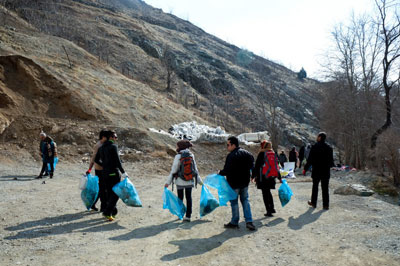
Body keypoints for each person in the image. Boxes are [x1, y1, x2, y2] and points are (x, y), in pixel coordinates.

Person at [219, 136, 256, 231]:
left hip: (234, 183)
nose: (227, 147)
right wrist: (253, 176)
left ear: (233, 145)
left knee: (234, 202)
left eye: (228, 145)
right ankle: (249, 221)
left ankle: (234, 222)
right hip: (244, 183)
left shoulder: (231, 156)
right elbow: (253, 167)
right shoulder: (248, 154)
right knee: (245, 201)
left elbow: (227, 170)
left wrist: (220, 172)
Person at [164, 140, 203, 222]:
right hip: (189, 180)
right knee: (189, 198)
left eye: (177, 146)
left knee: (180, 198)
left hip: (180, 181)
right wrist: (200, 181)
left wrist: (168, 182)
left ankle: (180, 214)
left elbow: (174, 170)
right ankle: (188, 216)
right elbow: (195, 169)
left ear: (181, 147)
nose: (176, 148)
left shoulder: (178, 156)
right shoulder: (191, 155)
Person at [95, 130, 128, 221]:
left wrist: (105, 166)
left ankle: (112, 212)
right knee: (116, 192)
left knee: (109, 192)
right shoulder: (113, 146)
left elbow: (96, 160)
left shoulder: (101, 148)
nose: (116, 138)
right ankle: (107, 211)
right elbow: (117, 161)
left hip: (104, 173)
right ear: (111, 137)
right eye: (115, 137)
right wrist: (123, 172)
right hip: (113, 172)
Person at [303, 132, 334, 210]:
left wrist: (305, 169)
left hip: (316, 170)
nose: (317, 137)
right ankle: (326, 205)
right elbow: (331, 162)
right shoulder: (329, 148)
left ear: (320, 137)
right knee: (325, 188)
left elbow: (310, 160)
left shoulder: (314, 147)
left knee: (315, 187)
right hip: (326, 171)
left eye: (317, 136)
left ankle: (313, 202)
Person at [252, 140, 282, 217]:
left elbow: (257, 166)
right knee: (268, 192)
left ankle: (268, 211)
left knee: (265, 193)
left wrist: (253, 176)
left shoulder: (262, 154)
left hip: (263, 177)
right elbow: (277, 167)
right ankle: (272, 208)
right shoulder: (273, 153)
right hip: (271, 177)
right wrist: (279, 177)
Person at [86, 129, 108, 212]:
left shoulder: (104, 144)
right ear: (103, 137)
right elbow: (94, 158)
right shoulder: (98, 145)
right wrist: (89, 168)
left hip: (103, 169)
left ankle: (94, 204)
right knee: (102, 188)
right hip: (99, 169)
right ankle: (101, 206)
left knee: (102, 188)